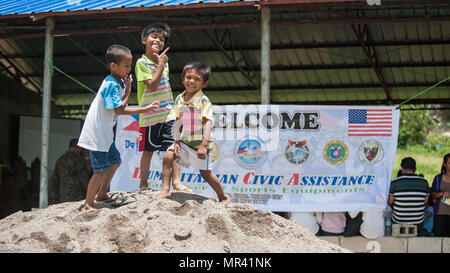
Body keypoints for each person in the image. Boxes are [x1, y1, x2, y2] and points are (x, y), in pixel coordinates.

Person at [77, 44, 160, 211]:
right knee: (100, 170)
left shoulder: (119, 82)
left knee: (114, 162)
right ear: (113, 66)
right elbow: (120, 109)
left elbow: (119, 105)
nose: (129, 69)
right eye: (127, 66)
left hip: (105, 134)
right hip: (97, 135)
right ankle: (88, 203)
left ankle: (101, 194)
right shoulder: (110, 84)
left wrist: (128, 89)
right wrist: (144, 109)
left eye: (130, 65)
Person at [155, 62, 229, 202]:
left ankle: (222, 196)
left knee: (205, 174)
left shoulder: (203, 101)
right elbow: (178, 121)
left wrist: (203, 145)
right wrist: (176, 141)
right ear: (183, 79)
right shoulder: (179, 99)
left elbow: (208, 122)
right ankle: (165, 190)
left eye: (197, 79)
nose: (192, 81)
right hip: (184, 142)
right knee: (167, 157)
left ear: (204, 83)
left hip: (201, 145)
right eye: (188, 77)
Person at [135, 23, 189, 193]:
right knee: (148, 151)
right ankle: (143, 184)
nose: (158, 40)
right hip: (149, 114)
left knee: (173, 148)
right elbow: (151, 86)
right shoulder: (141, 63)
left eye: (162, 39)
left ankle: (176, 182)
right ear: (144, 40)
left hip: (167, 114)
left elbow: (165, 87)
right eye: (154, 36)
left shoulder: (164, 62)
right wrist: (160, 64)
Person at [388, 157, 430, 236]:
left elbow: (390, 202)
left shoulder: (395, 182)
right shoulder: (424, 182)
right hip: (418, 221)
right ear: (415, 169)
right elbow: (425, 202)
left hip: (399, 220)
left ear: (402, 168)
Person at [49, 138, 90, 204]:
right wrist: (90, 192)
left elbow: (55, 178)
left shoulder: (61, 159)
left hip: (63, 193)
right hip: (76, 194)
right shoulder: (79, 160)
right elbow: (83, 178)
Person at [431, 153, 450, 237]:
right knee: (439, 238)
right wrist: (442, 194)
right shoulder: (438, 178)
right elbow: (432, 194)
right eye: (449, 163)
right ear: (444, 164)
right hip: (440, 214)